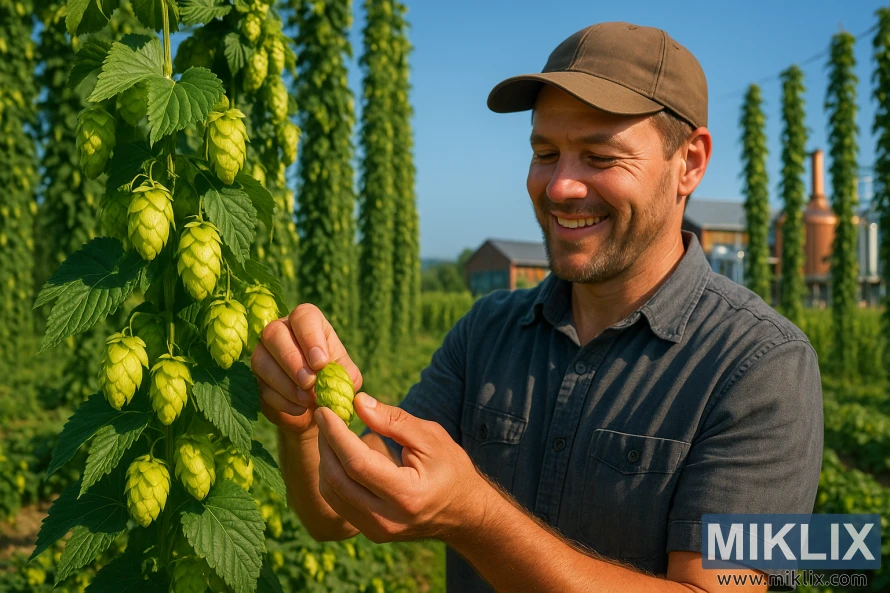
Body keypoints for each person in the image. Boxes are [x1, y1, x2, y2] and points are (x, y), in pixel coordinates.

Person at [251, 21, 823, 593]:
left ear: (690, 162)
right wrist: (303, 419)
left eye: (599, 157)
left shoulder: (762, 366)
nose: (559, 187)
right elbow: (337, 514)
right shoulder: (487, 332)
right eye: (546, 153)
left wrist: (476, 517)